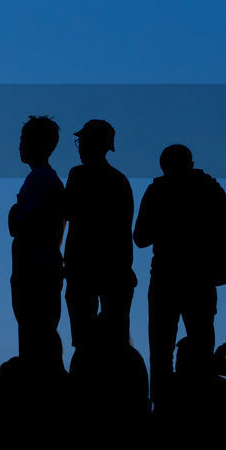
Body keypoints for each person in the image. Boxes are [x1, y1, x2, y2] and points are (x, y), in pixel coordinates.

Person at [134, 144, 226, 403]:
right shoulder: (211, 189)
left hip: (167, 278)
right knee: (201, 345)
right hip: (200, 280)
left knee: (161, 348)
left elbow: (140, 237)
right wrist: (220, 273)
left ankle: (162, 404)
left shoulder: (157, 190)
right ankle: (201, 400)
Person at [63, 119, 136, 350]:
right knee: (115, 341)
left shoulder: (78, 175)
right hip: (114, 270)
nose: (80, 147)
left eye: (82, 142)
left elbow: (66, 211)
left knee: (83, 341)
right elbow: (124, 233)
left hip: (83, 270)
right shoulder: (120, 181)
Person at [9, 116, 65, 364]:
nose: (20, 146)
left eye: (24, 140)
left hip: (34, 272)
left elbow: (28, 224)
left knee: (36, 337)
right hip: (42, 269)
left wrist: (14, 216)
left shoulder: (40, 180)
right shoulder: (46, 179)